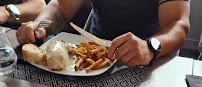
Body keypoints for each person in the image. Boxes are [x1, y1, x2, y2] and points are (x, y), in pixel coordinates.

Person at [16, 0, 190, 68]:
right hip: (91, 57)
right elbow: (61, 7)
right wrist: (40, 25)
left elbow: (178, 25)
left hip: (149, 60)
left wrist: (150, 47)